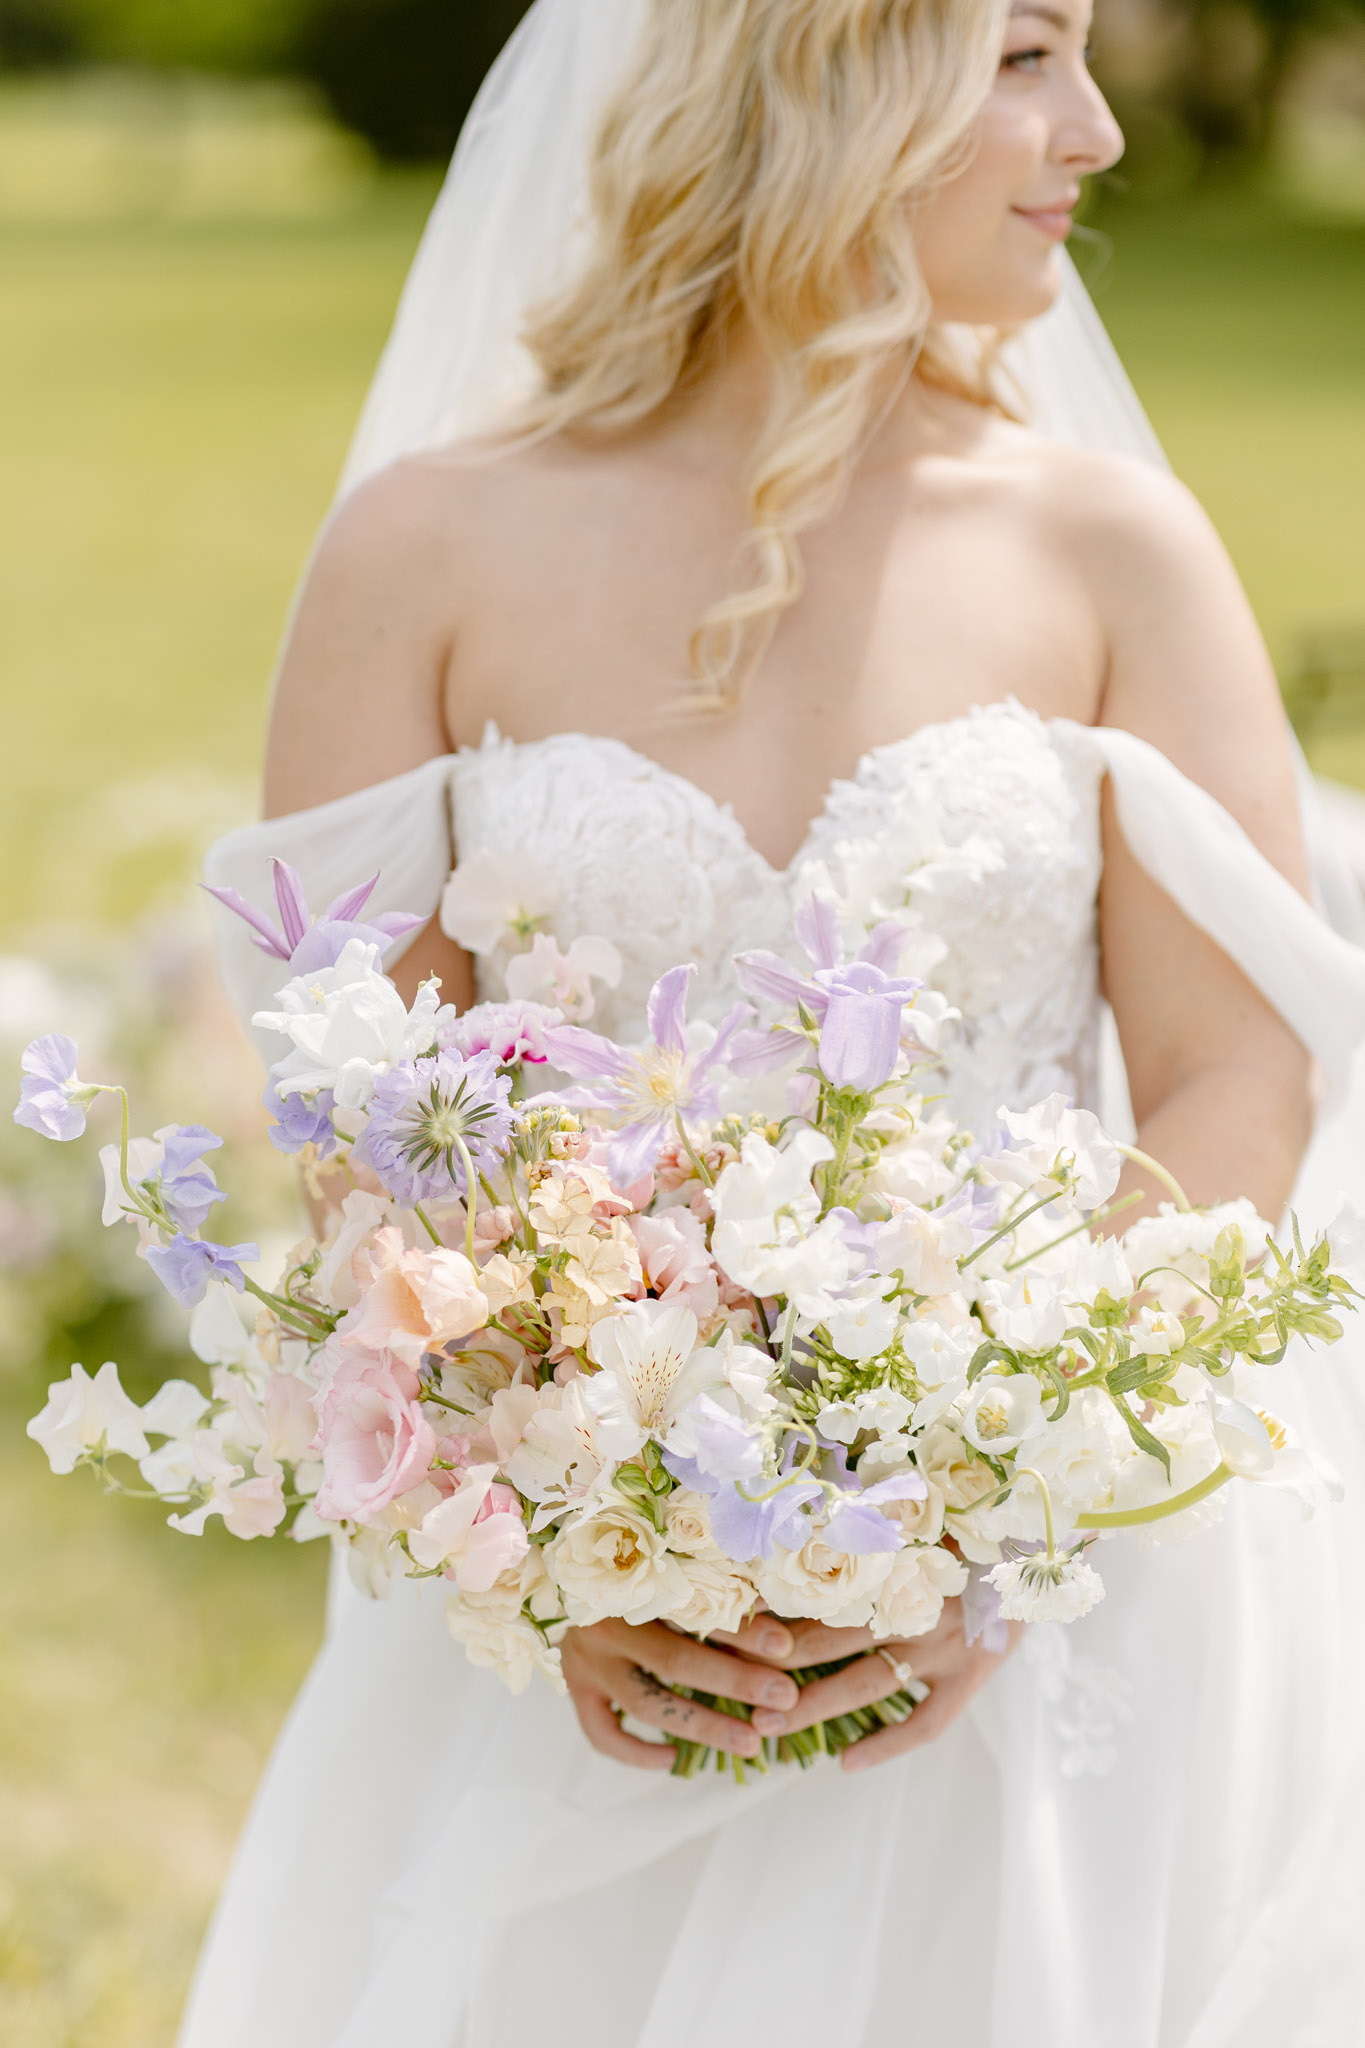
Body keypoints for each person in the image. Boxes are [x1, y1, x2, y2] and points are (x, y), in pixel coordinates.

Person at [187, 1, 1365, 2042]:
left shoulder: (1109, 551)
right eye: (1020, 54)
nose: (1089, 127)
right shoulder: (423, 549)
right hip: (586, 1612)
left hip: (1071, 1590)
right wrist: (571, 1524)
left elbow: (1228, 1065)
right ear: (810, 74)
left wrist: (994, 1499)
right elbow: (363, 1104)